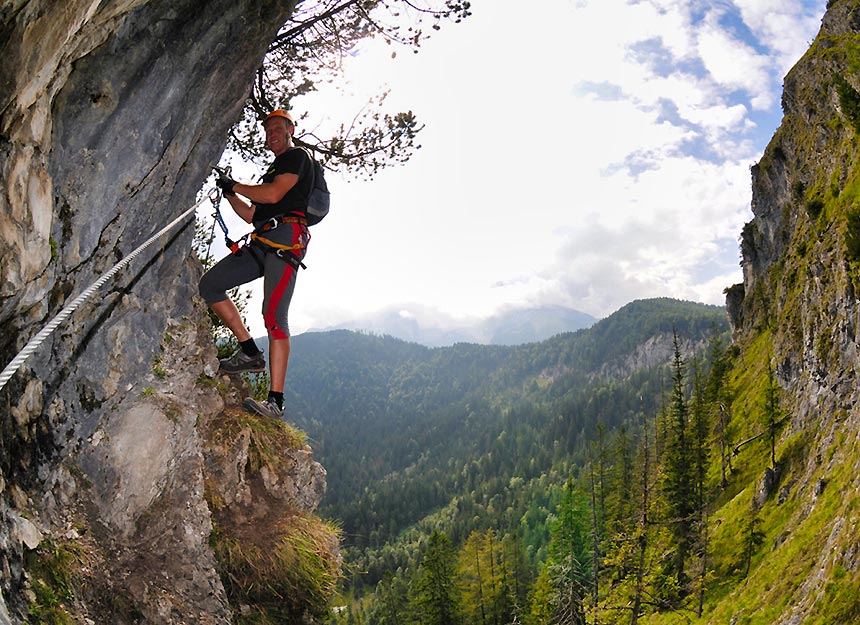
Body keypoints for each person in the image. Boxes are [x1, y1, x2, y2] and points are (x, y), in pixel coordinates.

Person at [199, 109, 312, 419]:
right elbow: (251, 215)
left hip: (286, 240)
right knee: (210, 285)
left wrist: (234, 185)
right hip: (262, 240)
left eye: (278, 128)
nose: (272, 133)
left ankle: (275, 402)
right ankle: (250, 352)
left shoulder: (297, 157)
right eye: (268, 129)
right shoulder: (273, 170)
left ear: (290, 129)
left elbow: (274, 195)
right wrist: (228, 191)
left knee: (273, 315)